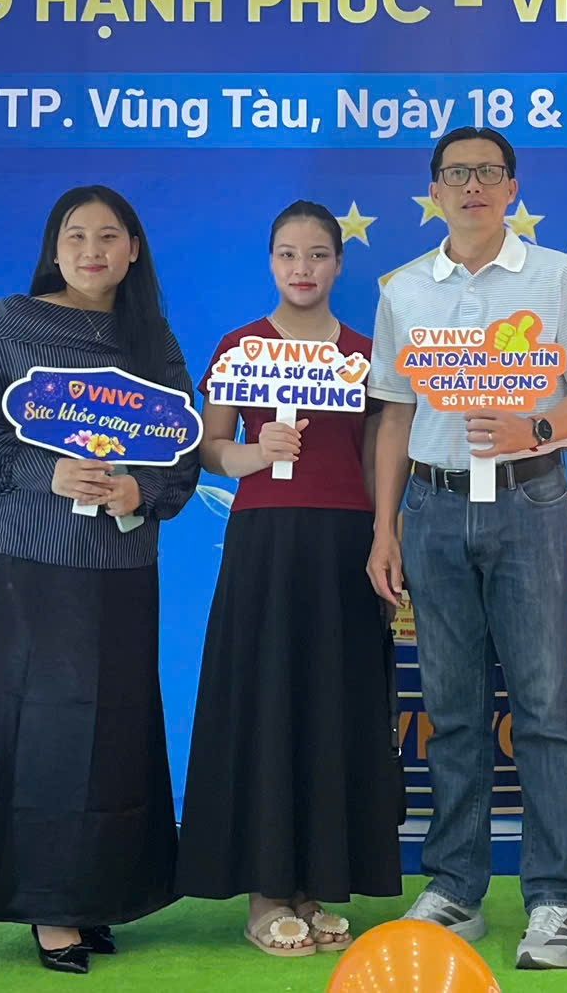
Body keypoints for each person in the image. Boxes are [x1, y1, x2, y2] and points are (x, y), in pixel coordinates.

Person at [366, 126, 567, 972]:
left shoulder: (557, 277)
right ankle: (456, 887)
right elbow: (395, 412)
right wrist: (384, 526)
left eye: (488, 172)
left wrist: (533, 427)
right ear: (435, 189)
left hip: (530, 499)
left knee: (544, 707)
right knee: (453, 708)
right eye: (456, 173)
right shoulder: (404, 287)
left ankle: (552, 900)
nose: (471, 185)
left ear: (512, 187)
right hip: (433, 507)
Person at [0, 185, 201, 975]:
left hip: (121, 565)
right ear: (54, 249)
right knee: (42, 729)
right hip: (34, 559)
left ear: (133, 250)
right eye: (76, 235)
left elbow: (182, 452)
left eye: (109, 236)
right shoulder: (9, 325)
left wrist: (140, 491)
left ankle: (100, 895)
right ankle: (49, 907)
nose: (93, 250)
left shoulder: (151, 340)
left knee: (117, 728)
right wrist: (44, 472)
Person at [176, 200, 403, 956]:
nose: (302, 268)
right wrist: (256, 450)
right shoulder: (239, 347)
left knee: (335, 705)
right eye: (287, 254)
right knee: (266, 701)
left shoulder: (366, 353)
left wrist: (386, 535)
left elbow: (380, 455)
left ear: (339, 263)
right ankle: (264, 894)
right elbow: (210, 448)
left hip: (348, 544)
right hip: (266, 541)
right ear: (270, 262)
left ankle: (313, 885)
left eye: (317, 254)